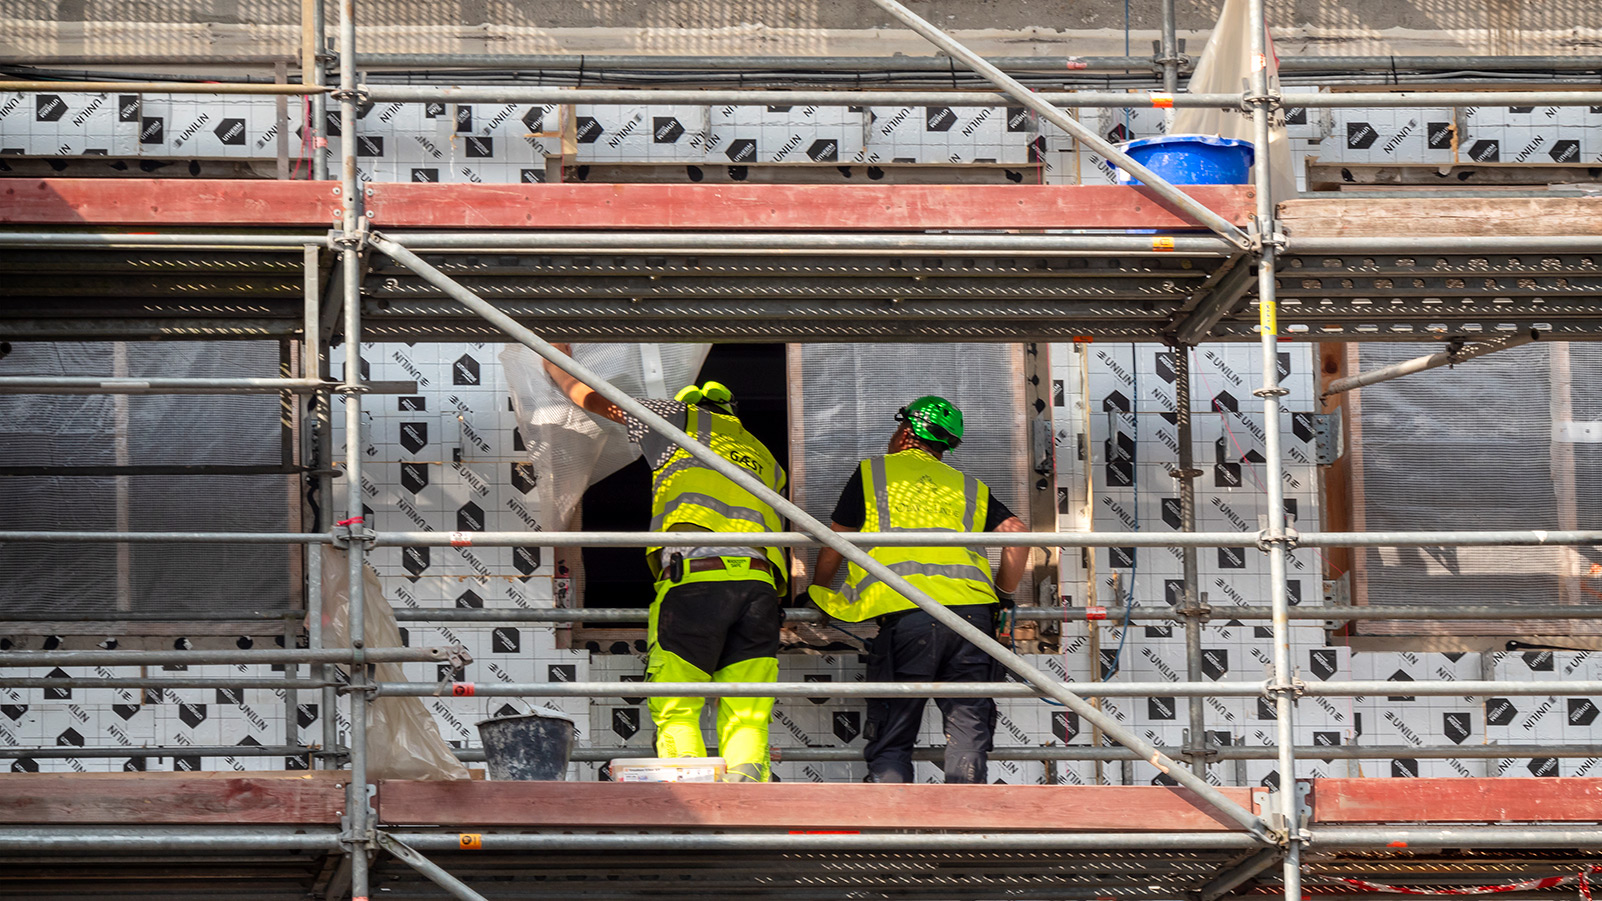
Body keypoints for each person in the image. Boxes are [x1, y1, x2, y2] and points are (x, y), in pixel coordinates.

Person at [543, 345, 786, 783]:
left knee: (677, 705)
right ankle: (749, 796)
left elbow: (596, 399)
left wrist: (555, 364)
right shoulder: (764, 455)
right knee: (748, 711)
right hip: (760, 589)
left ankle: (690, 795)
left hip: (698, 583)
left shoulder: (675, 418)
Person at [808, 395, 1027, 784]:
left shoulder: (875, 473)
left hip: (909, 618)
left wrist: (814, 593)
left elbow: (835, 541)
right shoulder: (968, 485)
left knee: (894, 732)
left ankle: (895, 834)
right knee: (967, 731)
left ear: (906, 431)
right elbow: (1018, 535)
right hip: (973, 621)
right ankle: (966, 833)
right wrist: (1003, 595)